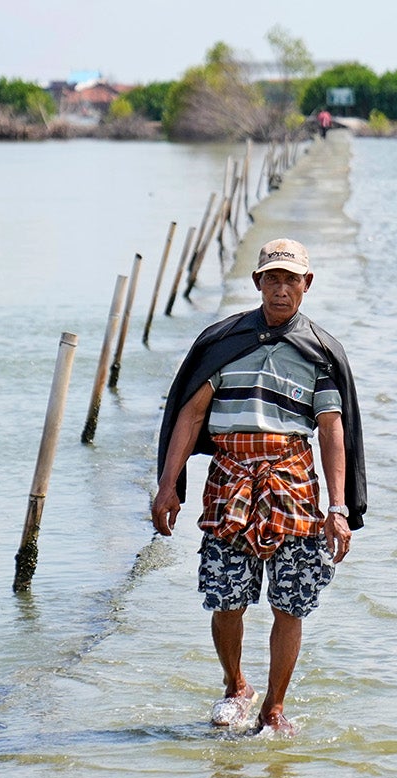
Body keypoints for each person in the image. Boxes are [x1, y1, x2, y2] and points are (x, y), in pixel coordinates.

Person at [152, 238, 365, 735]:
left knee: (290, 603)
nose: (282, 288)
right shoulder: (223, 341)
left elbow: (333, 431)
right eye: (273, 278)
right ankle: (236, 687)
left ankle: (273, 708)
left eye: (292, 279)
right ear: (258, 283)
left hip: (293, 485)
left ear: (307, 285)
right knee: (226, 598)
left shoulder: (320, 353)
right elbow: (191, 414)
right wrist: (168, 485)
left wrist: (338, 508)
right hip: (229, 483)